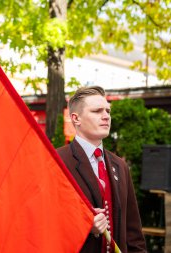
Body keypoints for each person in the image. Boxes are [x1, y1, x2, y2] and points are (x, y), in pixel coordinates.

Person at [57, 86, 147, 253]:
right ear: (76, 119)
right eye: (97, 111)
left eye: (108, 111)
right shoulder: (57, 162)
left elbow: (132, 230)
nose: (106, 116)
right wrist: (82, 225)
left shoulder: (120, 166)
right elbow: (45, 220)